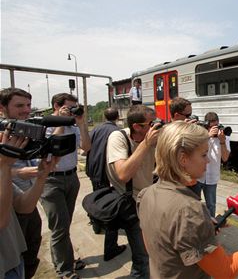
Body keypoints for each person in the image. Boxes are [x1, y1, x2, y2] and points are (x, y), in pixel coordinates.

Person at [138, 121, 238, 278]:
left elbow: (154, 245)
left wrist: (201, 229)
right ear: (183, 158)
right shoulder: (189, 211)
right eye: (204, 155)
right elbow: (227, 271)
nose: (209, 161)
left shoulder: (146, 194)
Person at [105, 105, 161, 278]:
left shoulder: (153, 137)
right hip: (131, 203)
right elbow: (123, 174)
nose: (155, 127)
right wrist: (147, 143)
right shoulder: (118, 137)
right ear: (137, 126)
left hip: (148, 199)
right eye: (151, 124)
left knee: (151, 251)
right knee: (142, 257)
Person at [40, 93, 91, 279]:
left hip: (71, 177)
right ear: (57, 106)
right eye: (69, 107)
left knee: (65, 224)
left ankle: (65, 259)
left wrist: (81, 123)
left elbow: (86, 147)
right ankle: (64, 270)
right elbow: (50, 148)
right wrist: (60, 121)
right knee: (59, 227)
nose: (73, 110)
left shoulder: (73, 126)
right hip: (51, 181)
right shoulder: (46, 124)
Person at [0, 129, 58, 279]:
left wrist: (42, 175)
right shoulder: (3, 165)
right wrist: (5, 166)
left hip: (14, 260)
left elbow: (23, 206)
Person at [0, 88, 44, 279]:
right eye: (19, 106)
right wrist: (9, 167)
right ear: (2, 108)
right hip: (8, 212)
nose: (26, 110)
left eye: (28, 105)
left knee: (31, 248)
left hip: (24, 197)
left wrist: (43, 172)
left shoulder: (25, 131)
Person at [85, 107, 126, 261]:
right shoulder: (117, 132)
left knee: (96, 199)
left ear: (104, 115)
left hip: (93, 170)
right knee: (110, 210)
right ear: (118, 116)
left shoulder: (96, 129)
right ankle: (110, 247)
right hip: (105, 173)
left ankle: (96, 225)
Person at [191, 112, 230, 217]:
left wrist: (222, 142)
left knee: (211, 205)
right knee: (194, 203)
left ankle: (212, 227)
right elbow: (193, 151)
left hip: (212, 177)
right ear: (206, 126)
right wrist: (207, 136)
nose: (215, 130)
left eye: (216, 126)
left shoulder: (223, 136)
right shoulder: (200, 134)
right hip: (198, 176)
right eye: (212, 127)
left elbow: (225, 158)